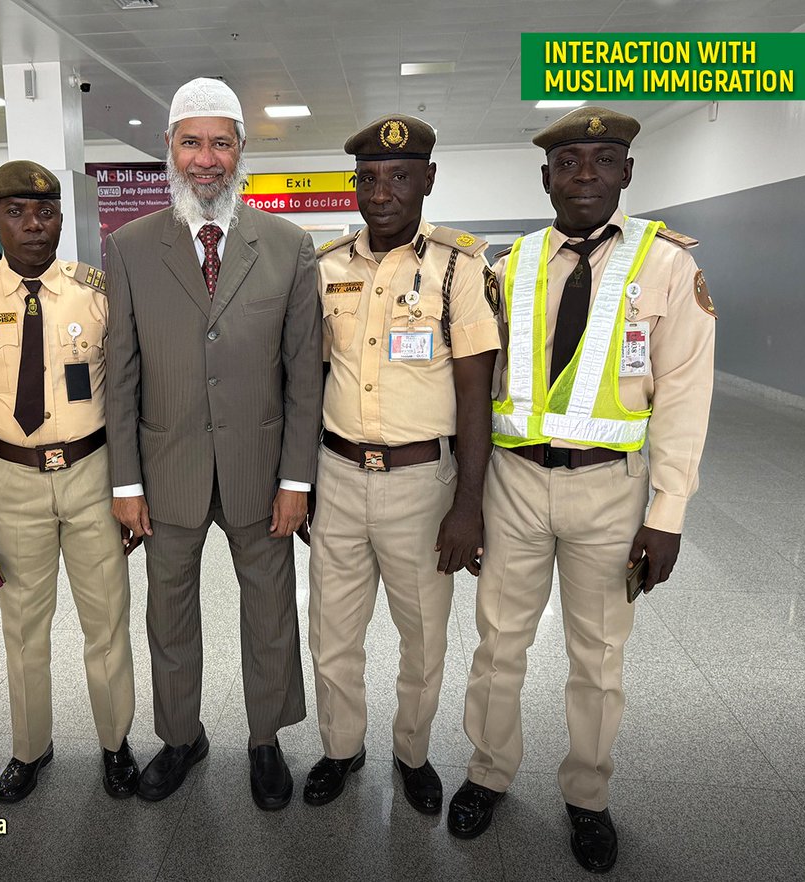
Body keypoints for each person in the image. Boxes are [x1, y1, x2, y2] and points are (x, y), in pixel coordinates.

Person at [449, 107, 717, 873]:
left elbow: (687, 399)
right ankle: (488, 773)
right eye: (569, 162)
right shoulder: (509, 264)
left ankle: (588, 795)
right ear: (546, 177)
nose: (587, 175)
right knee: (499, 644)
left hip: (611, 492)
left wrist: (667, 515)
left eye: (603, 160)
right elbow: (476, 383)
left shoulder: (667, 266)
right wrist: (467, 498)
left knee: (598, 655)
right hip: (515, 484)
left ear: (628, 171)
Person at [105, 77, 322, 810]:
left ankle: (266, 740)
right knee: (168, 614)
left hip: (261, 473)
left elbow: (303, 378)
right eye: (192, 142)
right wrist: (125, 484)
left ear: (241, 153)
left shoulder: (288, 247)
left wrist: (297, 479)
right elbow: (122, 375)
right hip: (166, 472)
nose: (207, 159)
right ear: (169, 149)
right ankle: (180, 737)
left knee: (269, 611)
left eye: (220, 143)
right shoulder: (130, 248)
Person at [304, 115, 499, 814]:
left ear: (428, 180)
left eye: (399, 177)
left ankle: (411, 754)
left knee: (423, 639)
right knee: (331, 633)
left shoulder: (459, 269)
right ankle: (340, 747)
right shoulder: (325, 269)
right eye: (369, 179)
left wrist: (468, 506)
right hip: (337, 476)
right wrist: (302, 484)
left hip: (424, 485)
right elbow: (305, 384)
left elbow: (476, 394)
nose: (381, 192)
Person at [0, 160, 137, 802]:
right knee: (22, 622)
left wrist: (133, 490)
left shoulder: (97, 293)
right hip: (12, 483)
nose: (33, 226)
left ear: (60, 219)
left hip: (91, 473)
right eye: (17, 213)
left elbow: (131, 398)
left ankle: (115, 742)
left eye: (45, 212)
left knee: (106, 621)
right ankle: (30, 748)